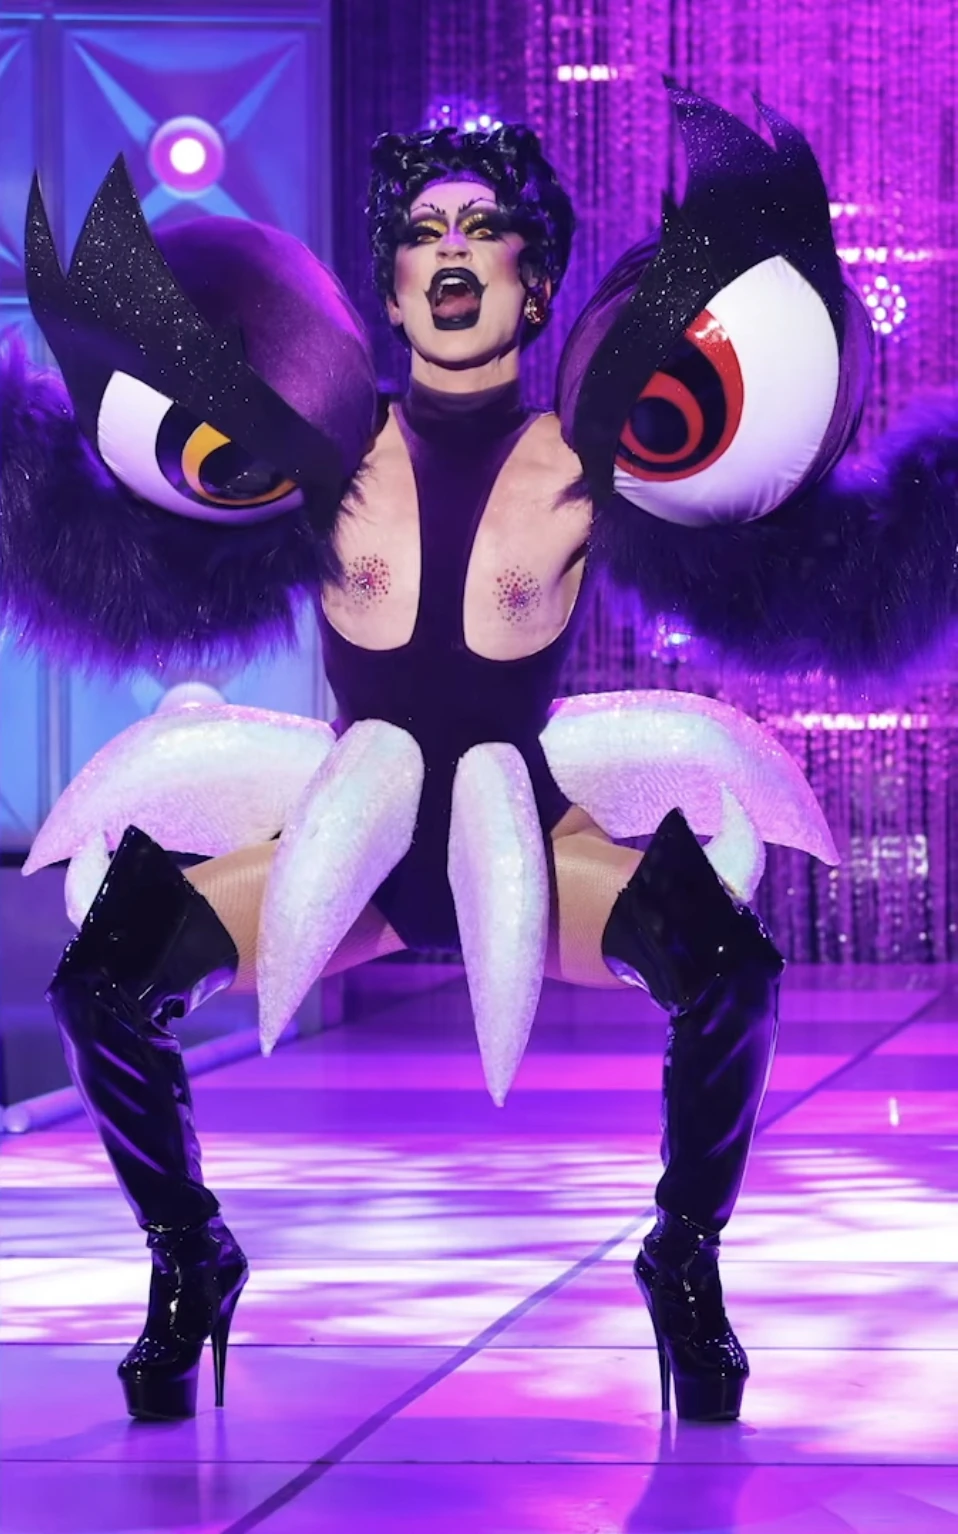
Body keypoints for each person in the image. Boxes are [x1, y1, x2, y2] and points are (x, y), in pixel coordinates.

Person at [2, 85, 947, 1425]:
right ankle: (189, 1256)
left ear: (534, 277)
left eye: (482, 226)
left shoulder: (591, 459)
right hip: (348, 845)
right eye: (421, 230)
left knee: (732, 973)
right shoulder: (317, 452)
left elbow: (801, 581)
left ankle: (682, 1259)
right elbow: (121, 560)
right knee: (103, 987)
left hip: (537, 844)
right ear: (390, 288)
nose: (449, 248)